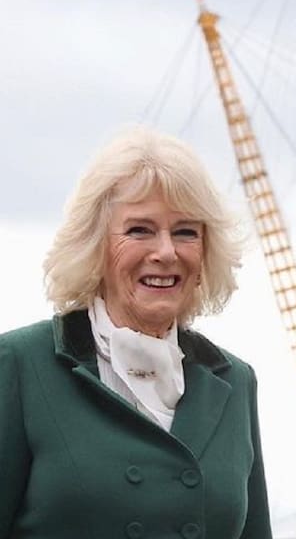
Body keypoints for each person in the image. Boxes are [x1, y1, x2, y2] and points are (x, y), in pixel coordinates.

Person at [0, 127, 272, 538]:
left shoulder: (235, 381)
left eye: (185, 232)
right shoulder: (21, 365)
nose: (166, 252)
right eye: (140, 230)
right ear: (96, 246)